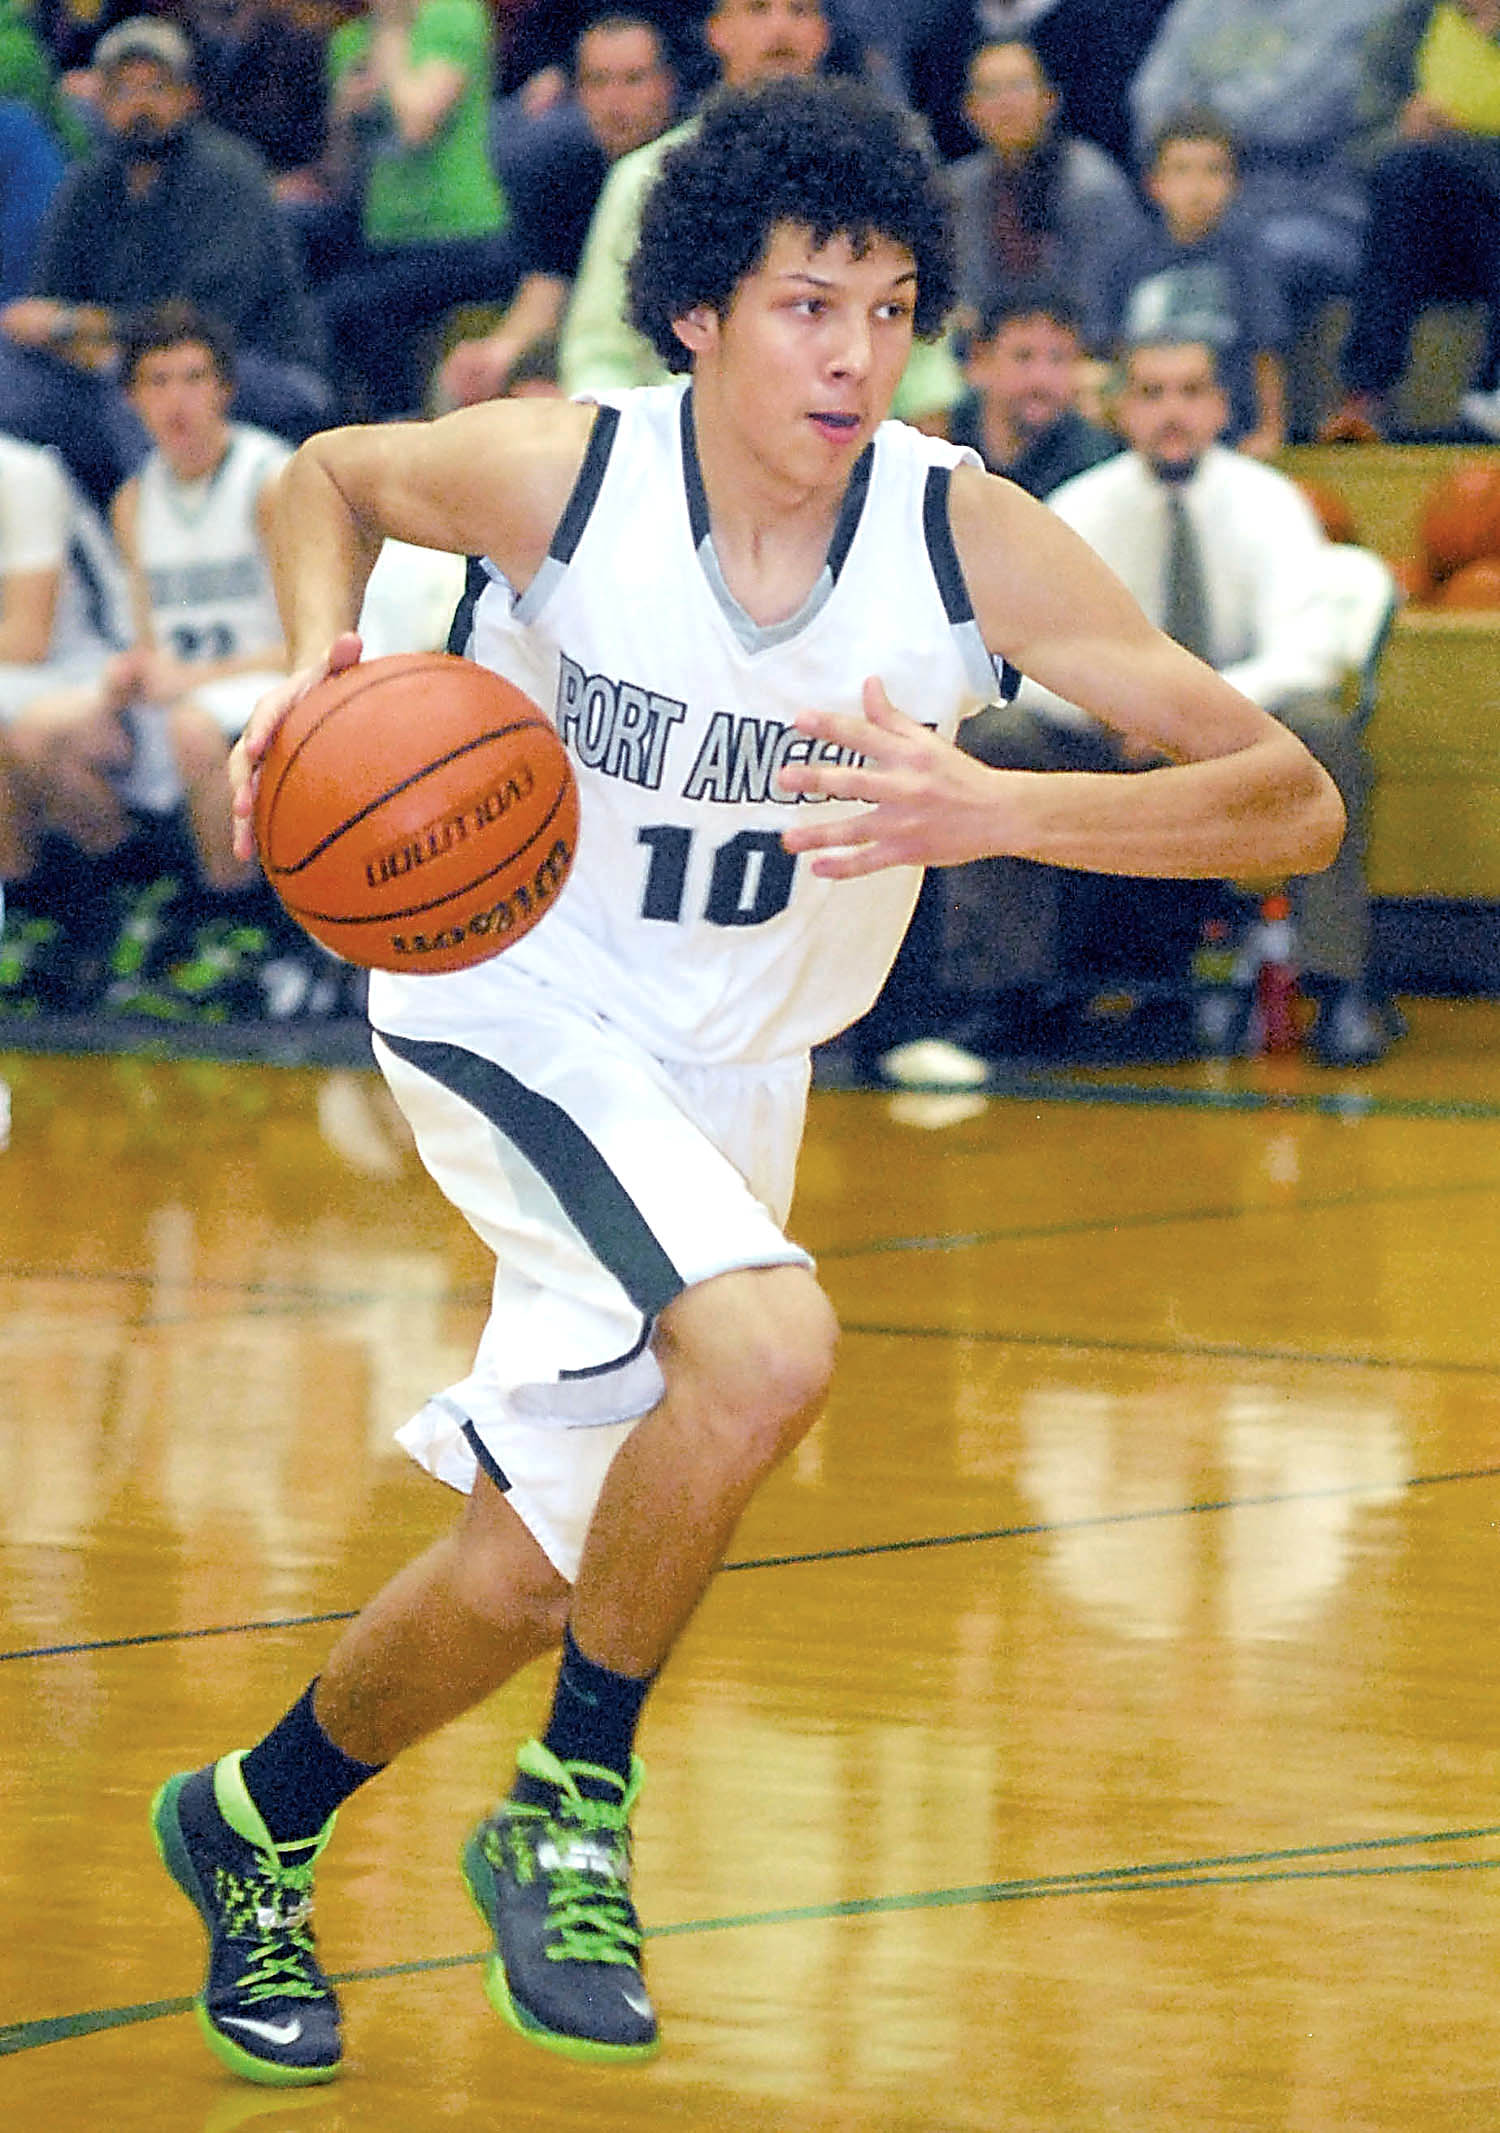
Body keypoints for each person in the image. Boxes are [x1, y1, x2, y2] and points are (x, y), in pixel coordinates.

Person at [149, 78, 1341, 2089]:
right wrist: (306, 670)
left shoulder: (962, 535)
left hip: (732, 1065)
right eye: (807, 305)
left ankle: (250, 1819)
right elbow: (332, 474)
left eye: (887, 308)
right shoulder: (568, 473)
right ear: (699, 311)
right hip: (509, 992)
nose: (853, 353)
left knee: (535, 1566)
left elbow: (1288, 800)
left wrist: (1000, 808)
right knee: (771, 1348)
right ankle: (570, 1810)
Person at [896, 334, 1390, 1087]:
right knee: (998, 736)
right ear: (1121, 408)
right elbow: (1016, 656)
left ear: (1222, 407)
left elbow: (1310, 649)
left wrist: (1190, 721)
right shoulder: (1080, 507)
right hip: (1105, 745)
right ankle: (1004, 995)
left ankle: (1338, 987)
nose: (1173, 413)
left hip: (1232, 743)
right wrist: (1113, 713)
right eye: (1153, 394)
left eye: (1191, 393)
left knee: (1323, 729)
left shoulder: (1270, 504)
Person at [556, 0, 965, 427]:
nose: (780, 29)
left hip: (855, 450)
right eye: (758, 9)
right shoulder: (647, 177)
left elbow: (925, 373)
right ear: (718, 31)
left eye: (799, 11)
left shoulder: (888, 171)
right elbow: (599, 355)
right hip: (684, 447)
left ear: (822, 34)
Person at [0, 16, 331, 506]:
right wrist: (72, 331)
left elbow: (205, 325)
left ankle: (162, 552)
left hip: (258, 367)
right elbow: (41, 310)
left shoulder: (228, 174)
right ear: (99, 101)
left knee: (145, 384)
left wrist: (78, 327)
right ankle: (73, 562)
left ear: (189, 96)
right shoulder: (88, 186)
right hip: (121, 364)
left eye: (156, 87)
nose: (140, 106)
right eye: (122, 91)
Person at [440, 11, 678, 410]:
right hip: (582, 352)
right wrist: (499, 354)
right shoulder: (564, 171)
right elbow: (546, 285)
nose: (615, 100)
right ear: (577, 92)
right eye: (598, 81)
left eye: (633, 79)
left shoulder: (692, 173)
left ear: (666, 85)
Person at [1129, 0, 1399, 326]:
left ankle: (1244, 375)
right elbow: (1149, 101)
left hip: (1310, 209)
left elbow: (1296, 115)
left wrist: (1196, 121)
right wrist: (1204, 127)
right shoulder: (1199, 8)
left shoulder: (1358, 8)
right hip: (1207, 211)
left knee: (1247, 255)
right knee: (1141, 252)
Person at [313, 0, 519, 421]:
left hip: (463, 234)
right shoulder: (348, 40)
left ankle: (396, 425)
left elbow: (416, 125)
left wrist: (390, 36)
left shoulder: (455, 16)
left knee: (349, 311)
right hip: (387, 234)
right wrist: (345, 113)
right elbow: (339, 170)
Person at [1318, 0, 1500, 444]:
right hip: (1440, 230)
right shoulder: (1410, 26)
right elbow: (1364, 144)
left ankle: (1492, 386)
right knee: (1405, 173)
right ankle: (1366, 395)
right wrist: (1404, 128)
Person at [1097, 108, 1289, 458]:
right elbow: (1115, 351)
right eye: (1182, 170)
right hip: (1143, 436)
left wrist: (1270, 430)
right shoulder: (1129, 261)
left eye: (1213, 171)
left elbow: (1266, 354)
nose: (1197, 187)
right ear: (1154, 184)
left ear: (1234, 183)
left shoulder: (1248, 257)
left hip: (1229, 439)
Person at [943, 38, 1148, 355]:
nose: (1006, 103)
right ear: (970, 111)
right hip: (983, 365)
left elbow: (1101, 313)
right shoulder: (956, 191)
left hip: (1081, 361)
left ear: (1049, 99)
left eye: (1019, 86)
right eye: (991, 90)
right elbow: (959, 304)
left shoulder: (1093, 187)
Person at [948, 281, 1123, 494]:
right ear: (981, 360)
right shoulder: (938, 442)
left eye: (1058, 359)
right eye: (1023, 357)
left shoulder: (1097, 464)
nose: (1041, 378)